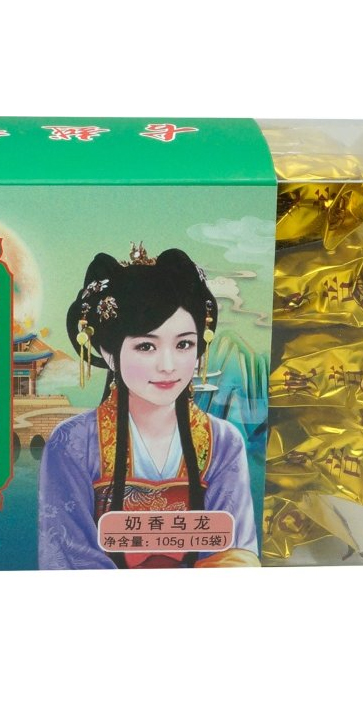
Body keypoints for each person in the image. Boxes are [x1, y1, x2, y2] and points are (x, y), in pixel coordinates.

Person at [38, 244, 260, 569]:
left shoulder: (223, 442)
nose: (168, 365)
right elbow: (68, 557)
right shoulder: (73, 443)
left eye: (184, 344)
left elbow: (235, 554)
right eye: (146, 346)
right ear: (108, 352)